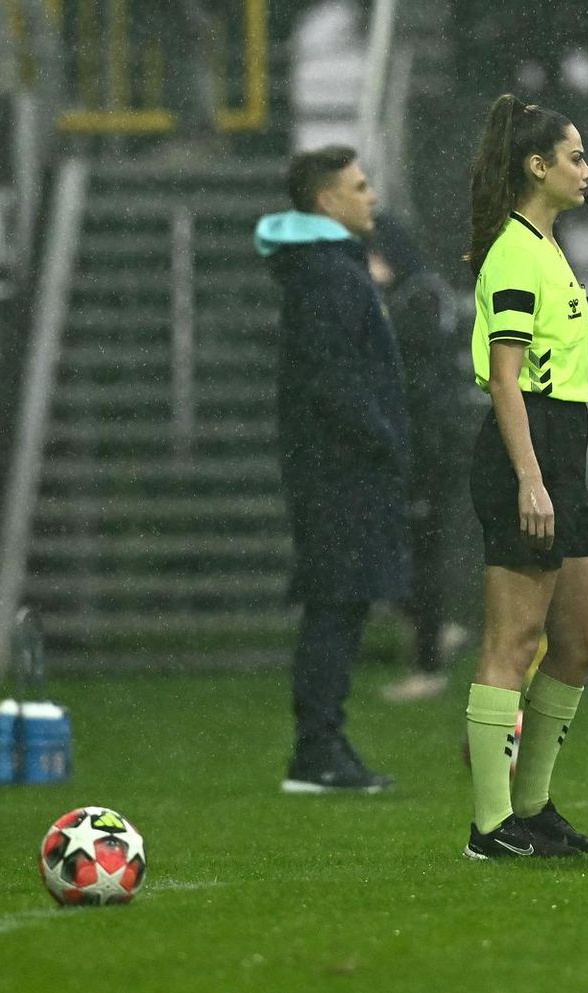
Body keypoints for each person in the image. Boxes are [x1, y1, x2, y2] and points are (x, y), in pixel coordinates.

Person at [461, 94, 588, 860]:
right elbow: (505, 376)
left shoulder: (547, 247)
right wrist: (529, 477)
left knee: (580, 639)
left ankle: (534, 808)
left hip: (562, 452)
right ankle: (490, 828)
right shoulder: (516, 252)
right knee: (513, 641)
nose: (587, 170)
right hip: (528, 451)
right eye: (576, 157)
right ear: (538, 166)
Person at [255, 146, 410, 794]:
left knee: (341, 603)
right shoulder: (328, 274)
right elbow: (333, 379)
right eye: (360, 186)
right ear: (326, 201)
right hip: (337, 470)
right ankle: (317, 750)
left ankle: (323, 745)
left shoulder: (329, 267)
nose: (371, 197)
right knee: (336, 603)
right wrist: (385, 440)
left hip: (336, 466)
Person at [366, 215, 471, 704]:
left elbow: (413, 366)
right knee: (390, 546)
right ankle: (432, 630)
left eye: (371, 254)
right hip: (416, 441)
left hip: (428, 445)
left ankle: (428, 664)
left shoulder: (419, 298)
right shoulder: (415, 295)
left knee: (421, 551)